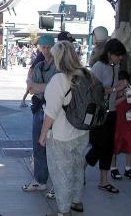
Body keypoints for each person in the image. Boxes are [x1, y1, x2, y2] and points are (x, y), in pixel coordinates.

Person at [39, 41, 90, 216]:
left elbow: (51, 112)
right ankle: (77, 202)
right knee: (77, 167)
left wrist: (43, 134)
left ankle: (63, 211)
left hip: (62, 134)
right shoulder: (85, 75)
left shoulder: (59, 79)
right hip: (82, 131)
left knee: (61, 173)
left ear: (59, 58)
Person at [85, 38, 127, 194]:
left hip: (111, 111)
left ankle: (104, 180)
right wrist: (116, 89)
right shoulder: (98, 67)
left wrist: (122, 91)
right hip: (98, 112)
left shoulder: (116, 66)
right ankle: (81, 169)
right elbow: (94, 90)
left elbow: (113, 89)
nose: (120, 58)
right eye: (118, 55)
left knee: (108, 147)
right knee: (98, 145)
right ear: (110, 53)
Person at [22, 35, 56, 197]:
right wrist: (44, 87)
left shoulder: (59, 67)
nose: (45, 50)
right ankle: (41, 180)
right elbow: (31, 89)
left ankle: (57, 184)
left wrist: (39, 87)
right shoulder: (39, 66)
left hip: (56, 112)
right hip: (40, 109)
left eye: (48, 47)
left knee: (56, 148)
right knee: (38, 146)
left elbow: (57, 88)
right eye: (42, 47)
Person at [110, 70, 131, 181]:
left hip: (127, 123)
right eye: (122, 81)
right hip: (116, 123)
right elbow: (112, 103)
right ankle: (113, 168)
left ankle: (128, 168)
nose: (124, 83)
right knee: (114, 147)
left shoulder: (130, 89)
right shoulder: (113, 91)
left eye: (126, 81)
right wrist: (123, 96)